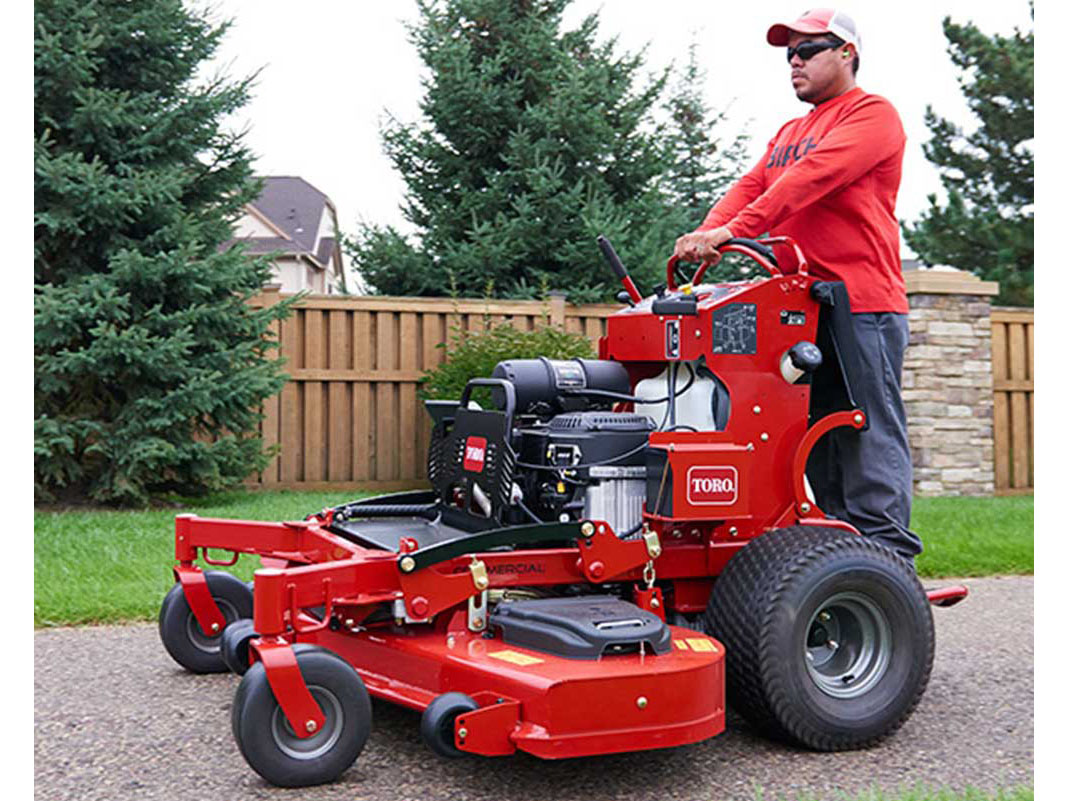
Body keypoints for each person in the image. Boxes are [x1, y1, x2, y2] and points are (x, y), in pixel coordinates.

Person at [673, 8, 922, 562]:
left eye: (808, 50)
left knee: (864, 424)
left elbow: (812, 180)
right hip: (799, 301)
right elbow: (752, 184)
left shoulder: (873, 115)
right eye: (790, 53)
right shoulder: (790, 132)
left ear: (847, 52)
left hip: (860, 299)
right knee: (810, 426)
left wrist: (732, 231)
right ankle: (837, 549)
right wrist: (708, 234)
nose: (794, 61)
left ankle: (886, 553)